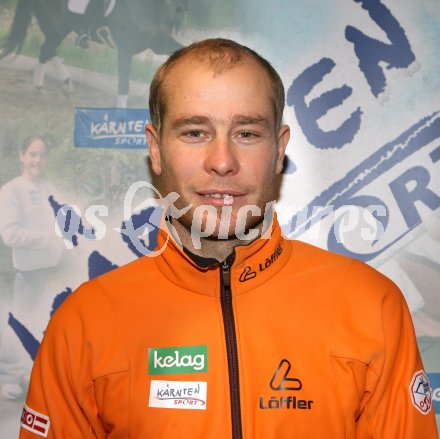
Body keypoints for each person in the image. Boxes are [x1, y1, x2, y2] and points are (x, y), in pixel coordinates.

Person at [19, 39, 438, 438]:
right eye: (195, 132)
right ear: (156, 148)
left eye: (247, 133)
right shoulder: (83, 324)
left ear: (279, 149)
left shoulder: (370, 305)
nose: (222, 161)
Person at [0, 136, 63, 400]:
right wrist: (47, 238)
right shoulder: (11, 190)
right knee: (21, 325)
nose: (38, 160)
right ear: (22, 156)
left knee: (50, 325)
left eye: (42, 155)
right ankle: (10, 379)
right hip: (28, 275)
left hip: (53, 273)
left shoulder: (50, 188)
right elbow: (10, 235)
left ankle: (38, 376)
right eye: (33, 154)